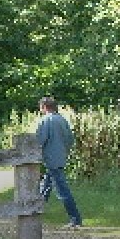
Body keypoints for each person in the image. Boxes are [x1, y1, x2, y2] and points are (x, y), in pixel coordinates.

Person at [34, 96, 83, 229]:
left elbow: (39, 141)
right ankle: (34, 214)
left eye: (41, 107)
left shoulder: (46, 120)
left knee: (62, 191)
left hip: (51, 159)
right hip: (60, 158)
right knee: (44, 188)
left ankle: (75, 219)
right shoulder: (62, 120)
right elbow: (70, 140)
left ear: (44, 107)